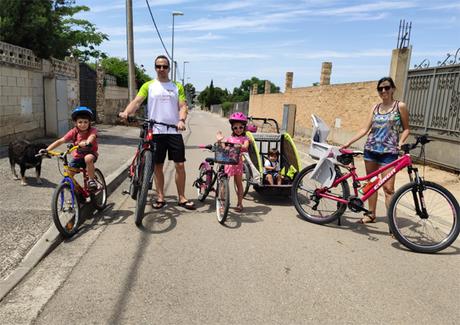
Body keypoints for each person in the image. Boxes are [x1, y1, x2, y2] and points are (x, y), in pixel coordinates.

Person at [119, 55, 195, 210]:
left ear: (169, 68)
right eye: (158, 66)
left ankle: (182, 197)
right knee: (158, 166)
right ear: (155, 67)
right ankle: (161, 197)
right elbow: (137, 101)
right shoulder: (149, 85)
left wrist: (181, 120)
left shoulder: (176, 87)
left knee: (180, 165)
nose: (161, 69)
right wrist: (126, 112)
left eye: (165, 66)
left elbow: (182, 106)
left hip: (174, 131)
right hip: (155, 131)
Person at [341, 77, 410, 224]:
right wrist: (348, 142)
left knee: (388, 188)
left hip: (389, 153)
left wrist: (401, 142)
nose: (383, 91)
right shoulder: (375, 107)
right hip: (371, 150)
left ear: (393, 89)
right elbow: (365, 129)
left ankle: (393, 223)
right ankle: (371, 214)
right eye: (380, 88)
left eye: (386, 87)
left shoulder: (400, 106)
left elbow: (406, 129)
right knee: (372, 184)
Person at [41, 106, 99, 190]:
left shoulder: (92, 130)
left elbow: (92, 137)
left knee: (88, 158)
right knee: (68, 176)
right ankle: (75, 195)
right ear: (75, 123)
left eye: (85, 122)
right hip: (78, 157)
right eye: (80, 122)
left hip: (90, 153)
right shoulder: (74, 131)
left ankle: (91, 180)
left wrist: (87, 142)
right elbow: (61, 141)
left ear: (89, 122)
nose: (83, 124)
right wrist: (47, 150)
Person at [216, 112, 250, 212]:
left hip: (238, 164)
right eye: (235, 128)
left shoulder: (245, 138)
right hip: (229, 163)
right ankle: (222, 204)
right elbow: (224, 148)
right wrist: (219, 141)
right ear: (232, 128)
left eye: (241, 127)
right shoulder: (230, 138)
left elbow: (246, 147)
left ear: (244, 127)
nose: (238, 129)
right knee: (224, 184)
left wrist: (240, 145)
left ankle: (240, 204)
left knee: (238, 183)